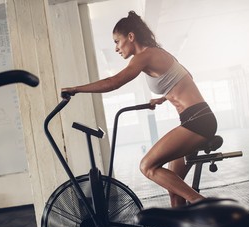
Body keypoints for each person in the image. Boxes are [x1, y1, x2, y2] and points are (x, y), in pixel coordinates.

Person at [62, 11, 217, 207]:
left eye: (117, 41)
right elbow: (186, 77)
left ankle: (201, 203)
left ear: (131, 37)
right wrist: (163, 97)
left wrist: (76, 89)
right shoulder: (156, 54)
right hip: (196, 118)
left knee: (147, 166)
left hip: (198, 121)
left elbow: (114, 82)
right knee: (175, 191)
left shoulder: (145, 56)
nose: (116, 48)